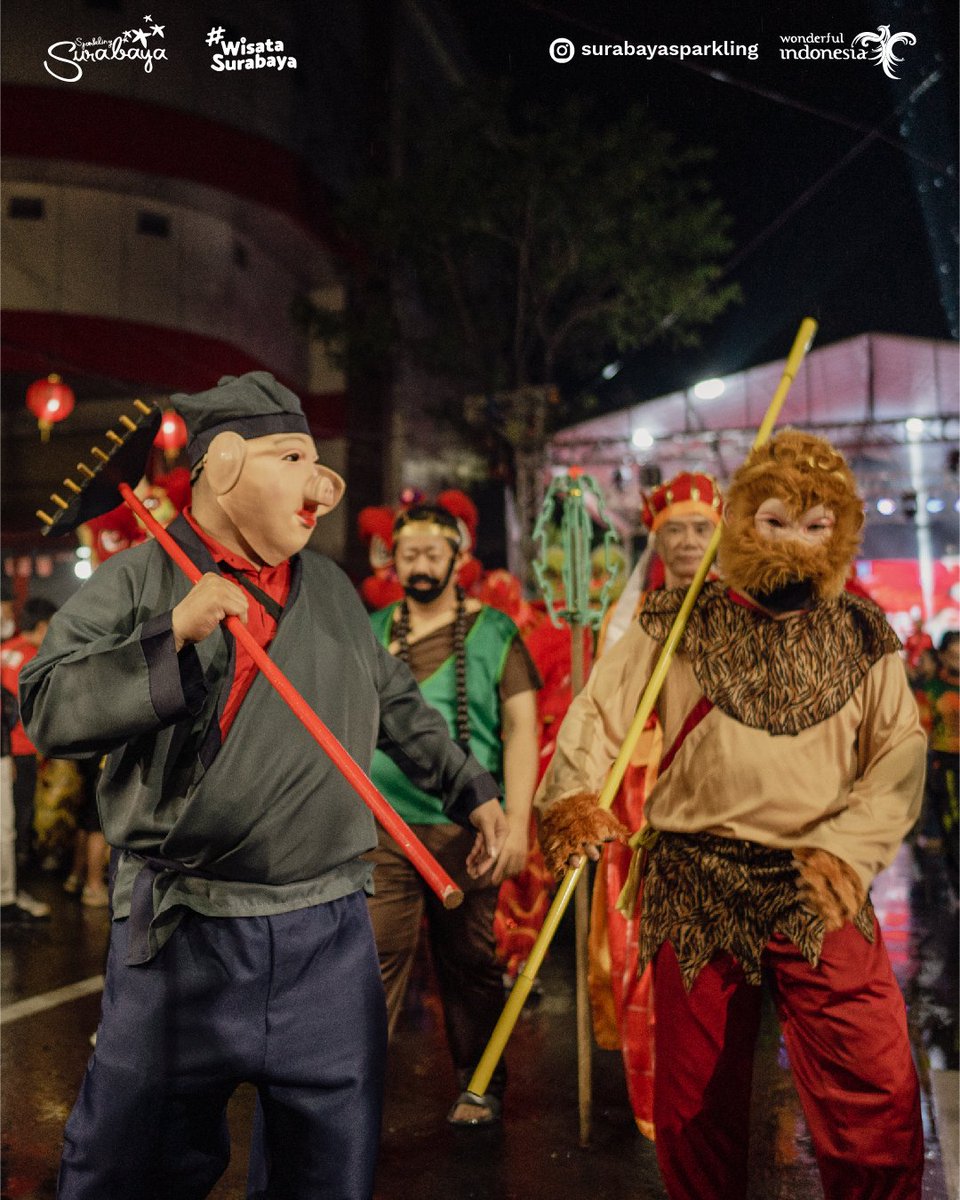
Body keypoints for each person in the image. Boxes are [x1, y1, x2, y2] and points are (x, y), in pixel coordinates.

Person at [20, 372, 506, 1200]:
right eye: (293, 458)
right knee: (127, 1170)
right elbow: (46, 703)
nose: (323, 484)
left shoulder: (332, 589)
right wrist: (172, 632)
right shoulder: (139, 578)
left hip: (330, 933)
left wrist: (473, 789)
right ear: (222, 464)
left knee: (327, 1171)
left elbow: (393, 702)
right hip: (184, 933)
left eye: (318, 462)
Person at [535, 430, 926, 1200]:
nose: (793, 542)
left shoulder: (862, 631)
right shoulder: (676, 620)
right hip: (696, 875)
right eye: (775, 521)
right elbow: (597, 714)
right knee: (694, 1100)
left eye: (815, 525)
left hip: (819, 877)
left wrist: (851, 849)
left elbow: (900, 752)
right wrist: (573, 795)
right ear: (742, 522)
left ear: (840, 531)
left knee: (873, 1084)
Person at [366, 502, 541, 1127]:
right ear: (392, 560)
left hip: (468, 826)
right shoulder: (373, 628)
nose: (419, 565)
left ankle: (481, 1081)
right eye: (408, 553)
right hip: (381, 824)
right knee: (372, 957)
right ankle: (351, 1090)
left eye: (431, 553)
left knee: (469, 962)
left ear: (458, 559)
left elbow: (523, 730)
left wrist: (517, 820)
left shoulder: (494, 632)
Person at [590, 472, 722, 1138]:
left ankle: (708, 1104)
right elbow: (602, 713)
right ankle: (654, 1102)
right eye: (676, 529)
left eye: (702, 528)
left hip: (716, 796)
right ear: (656, 538)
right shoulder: (631, 620)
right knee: (638, 944)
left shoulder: (740, 611)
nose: (689, 541)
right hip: (637, 796)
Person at [1, 596, 58, 869]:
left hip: (7, 750)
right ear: (43, 626)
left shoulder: (5, 650)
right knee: (17, 818)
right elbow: (19, 709)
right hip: (19, 750)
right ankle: (13, 881)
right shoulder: (31, 658)